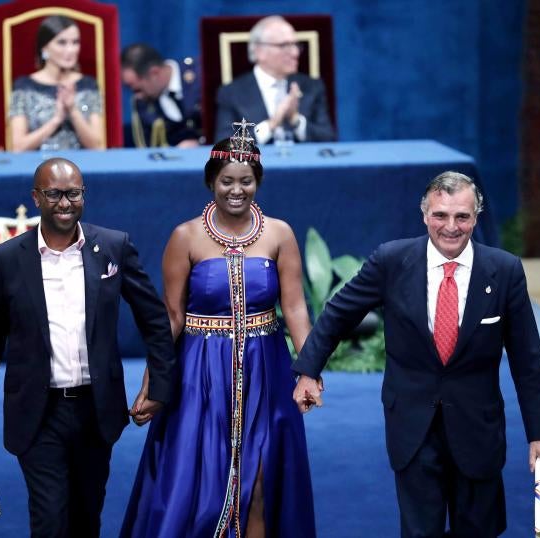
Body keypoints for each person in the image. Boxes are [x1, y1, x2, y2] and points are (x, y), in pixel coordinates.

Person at [292, 171, 540, 537]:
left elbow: (528, 358)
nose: (451, 226)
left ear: (476, 217)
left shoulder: (504, 270)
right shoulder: (392, 261)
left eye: (462, 216)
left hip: (478, 429)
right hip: (412, 426)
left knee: (479, 530)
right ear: (424, 214)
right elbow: (339, 312)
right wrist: (309, 370)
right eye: (440, 215)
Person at [0, 158, 176, 537]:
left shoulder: (113, 247)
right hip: (37, 414)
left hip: (97, 410)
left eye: (73, 193)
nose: (65, 203)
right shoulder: (7, 259)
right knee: (50, 521)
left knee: (86, 519)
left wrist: (158, 385)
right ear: (36, 198)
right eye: (54, 194)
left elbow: (155, 320)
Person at [121, 121, 317, 537]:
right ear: (212, 181)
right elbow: (170, 317)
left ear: (257, 182)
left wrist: (310, 370)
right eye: (227, 180)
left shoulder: (280, 233)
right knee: (199, 483)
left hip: (266, 369)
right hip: (199, 375)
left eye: (246, 181)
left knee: (262, 478)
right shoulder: (185, 237)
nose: (236, 189)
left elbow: (295, 307)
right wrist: (151, 384)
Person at [214, 15, 335, 145]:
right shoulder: (232, 93)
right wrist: (271, 125)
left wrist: (296, 121)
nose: (295, 53)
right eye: (284, 45)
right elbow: (224, 146)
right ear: (259, 51)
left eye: (295, 45)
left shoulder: (312, 87)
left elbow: (328, 139)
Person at [9, 15, 104, 152]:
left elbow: (98, 146)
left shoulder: (88, 85)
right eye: (62, 42)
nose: (71, 50)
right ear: (45, 48)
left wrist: (72, 111)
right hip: (38, 167)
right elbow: (18, 147)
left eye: (75, 42)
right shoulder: (24, 87)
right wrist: (56, 120)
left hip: (81, 168)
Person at [120, 43, 202, 148]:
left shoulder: (200, 75)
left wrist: (200, 144)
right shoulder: (143, 103)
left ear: (154, 73)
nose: (137, 96)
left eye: (137, 89)